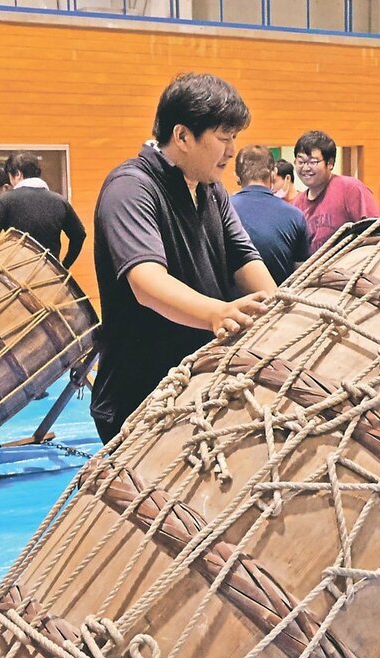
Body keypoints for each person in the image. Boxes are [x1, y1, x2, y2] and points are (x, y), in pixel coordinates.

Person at [91, 73, 276, 443]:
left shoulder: (210, 189)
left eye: (234, 138)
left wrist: (280, 308)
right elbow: (147, 283)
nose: (231, 151)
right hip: (139, 396)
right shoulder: (130, 188)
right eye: (223, 139)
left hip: (200, 385)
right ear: (182, 136)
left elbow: (243, 257)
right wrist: (216, 312)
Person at [0, 152, 86, 269]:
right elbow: (79, 235)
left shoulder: (5, 200)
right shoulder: (60, 201)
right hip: (51, 276)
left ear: (18, 174)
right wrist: (64, 266)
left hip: (15, 275)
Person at [231, 145, 309, 285]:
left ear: (237, 176)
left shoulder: (221, 212)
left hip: (228, 305)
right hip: (279, 304)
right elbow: (300, 276)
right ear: (273, 174)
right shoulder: (295, 216)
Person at [292, 130, 378, 254]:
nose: (305, 168)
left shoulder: (351, 189)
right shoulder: (297, 205)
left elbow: (376, 233)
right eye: (300, 162)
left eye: (313, 162)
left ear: (330, 163)